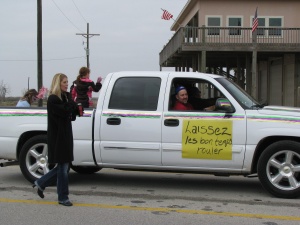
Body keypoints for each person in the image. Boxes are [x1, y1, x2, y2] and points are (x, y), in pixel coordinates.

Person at [32, 73, 80, 207]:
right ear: (58, 83)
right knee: (63, 168)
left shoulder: (64, 97)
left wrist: (73, 104)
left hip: (66, 135)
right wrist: (71, 100)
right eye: (64, 82)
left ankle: (40, 183)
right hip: (58, 137)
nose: (66, 84)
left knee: (63, 167)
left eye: (67, 81)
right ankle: (63, 197)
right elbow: (65, 111)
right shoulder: (53, 99)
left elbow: (73, 114)